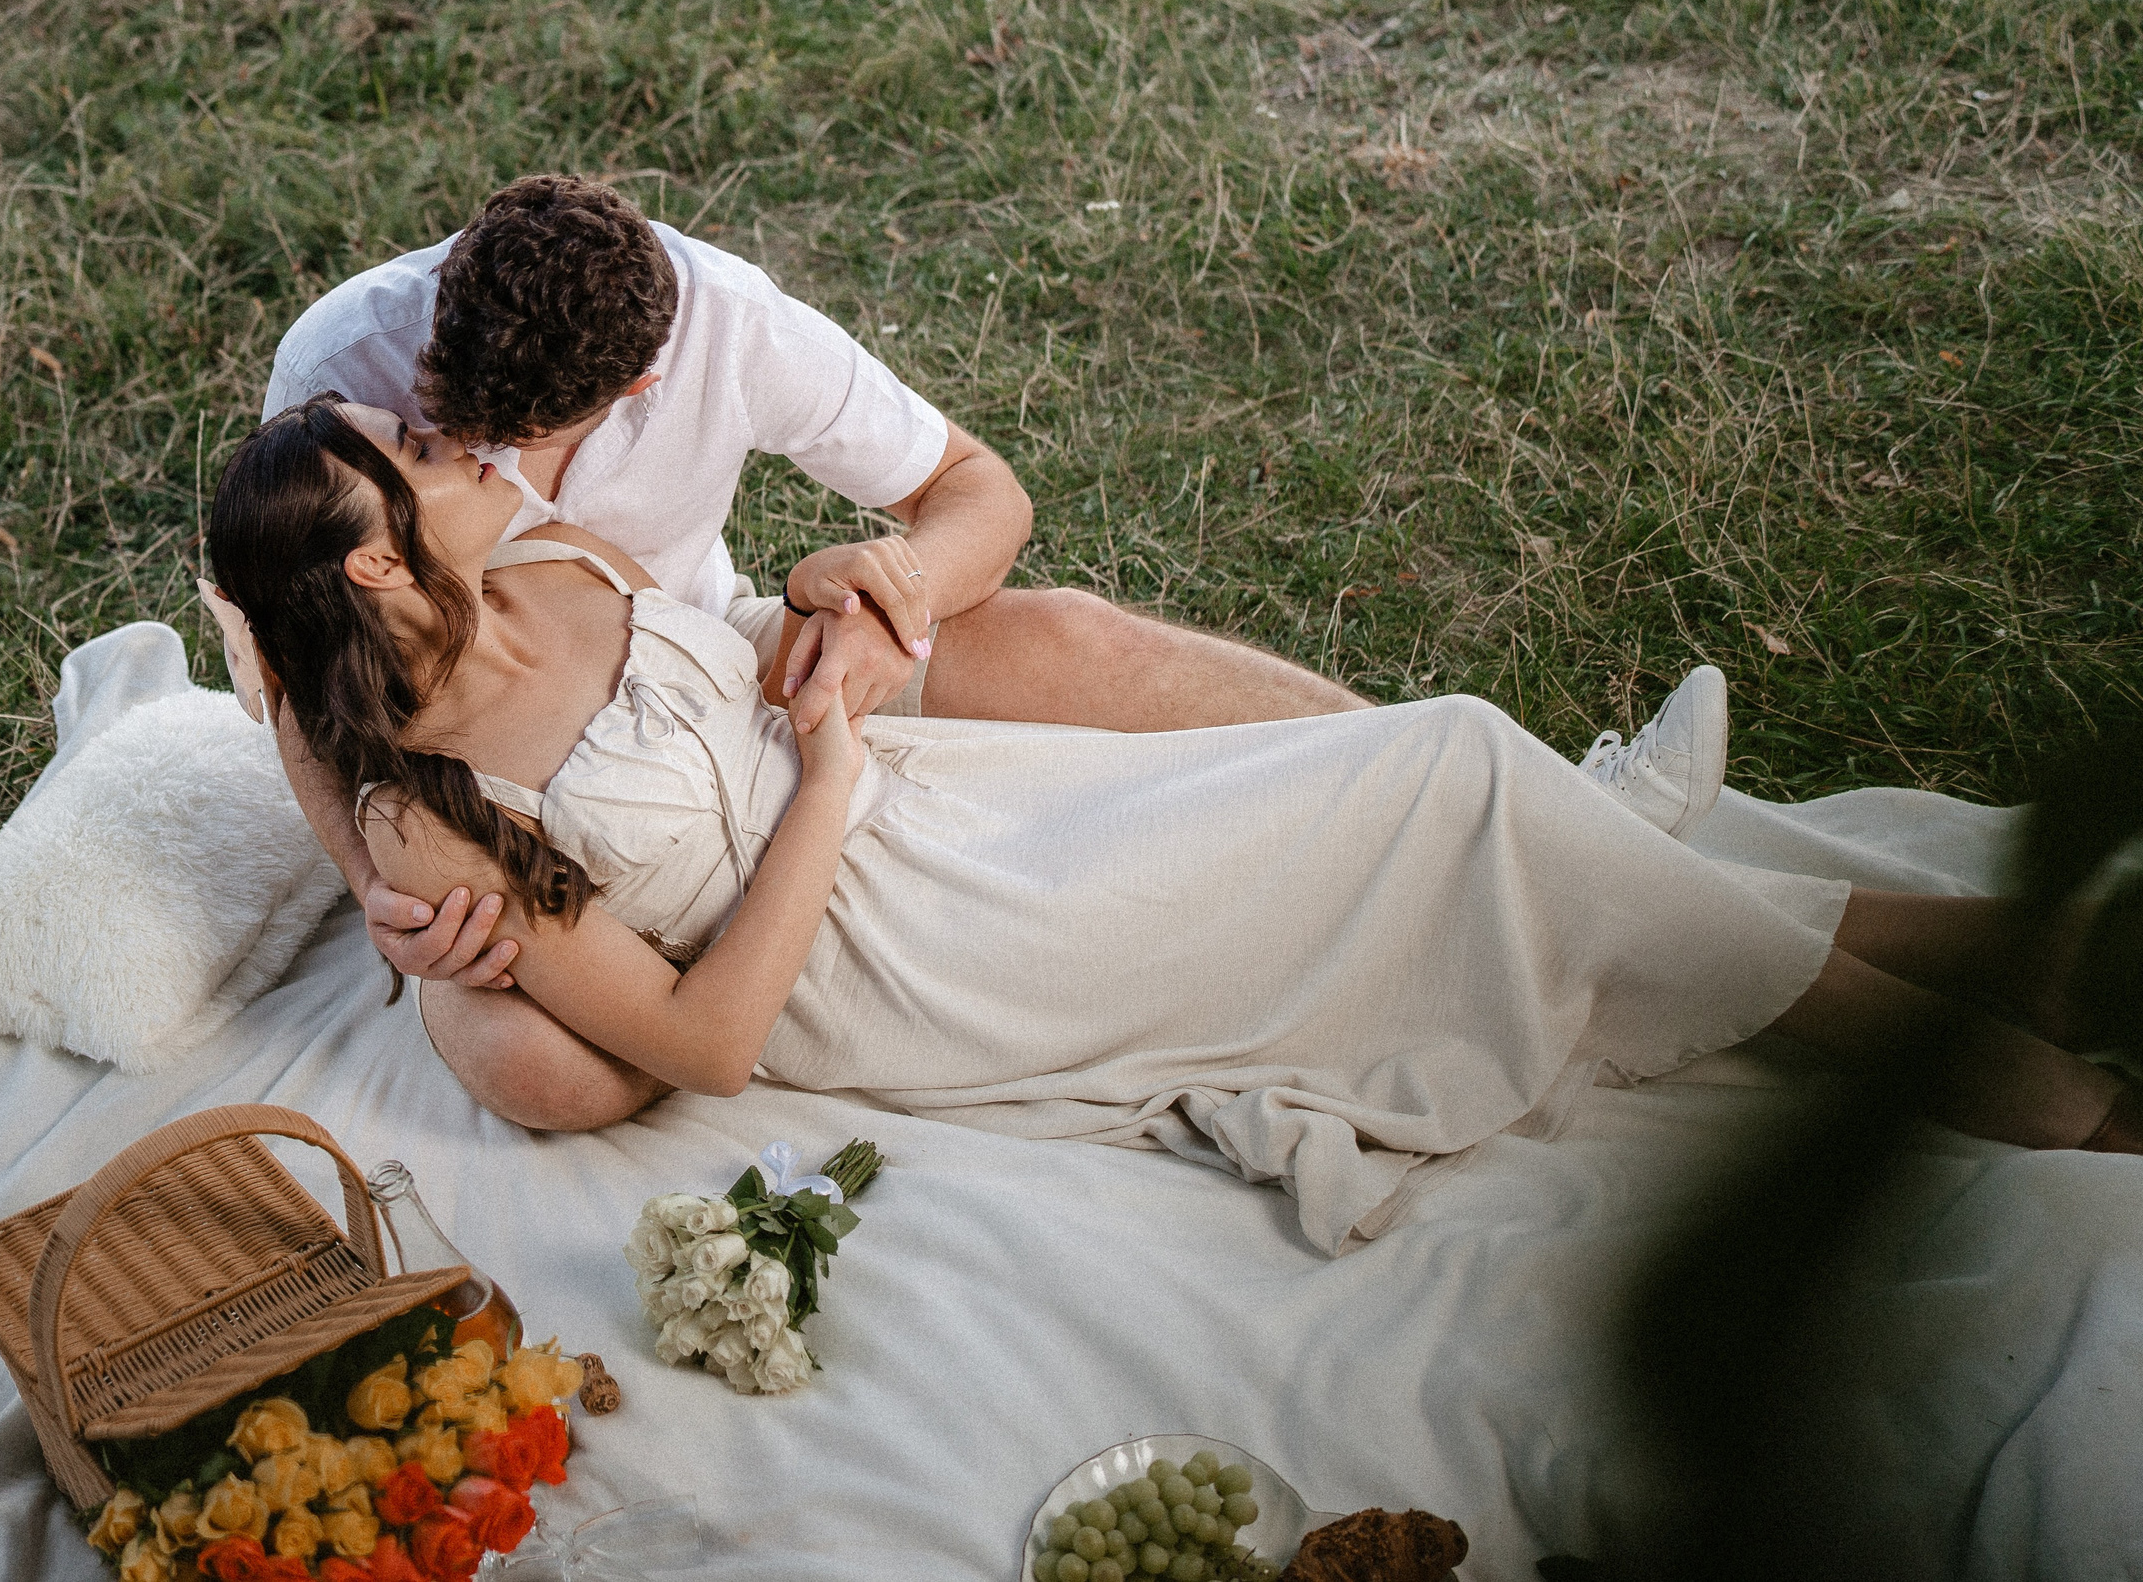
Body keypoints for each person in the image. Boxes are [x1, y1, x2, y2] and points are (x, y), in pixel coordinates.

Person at [203, 398, 2139, 1254]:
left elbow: (765, 570)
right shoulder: (439, 828)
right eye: (418, 462)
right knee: (1457, 780)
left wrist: (835, 599)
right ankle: (2023, 1072)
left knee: (1459, 789)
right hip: (902, 953)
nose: (461, 445)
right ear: (375, 581)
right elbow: (706, 1042)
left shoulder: (542, 543)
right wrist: (835, 784)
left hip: (967, 809)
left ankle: (2018, 974)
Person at [260, 176, 1728, 1053]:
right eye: (454, 428)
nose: (490, 463)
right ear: (441, 292)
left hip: (706, 662)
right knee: (534, 1061)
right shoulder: (347, 370)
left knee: (1077, 633)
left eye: (532, 438)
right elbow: (287, 651)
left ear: (643, 383)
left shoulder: (732, 326)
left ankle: (1538, 804)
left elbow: (978, 495)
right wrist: (380, 894)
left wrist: (894, 587)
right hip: (515, 779)